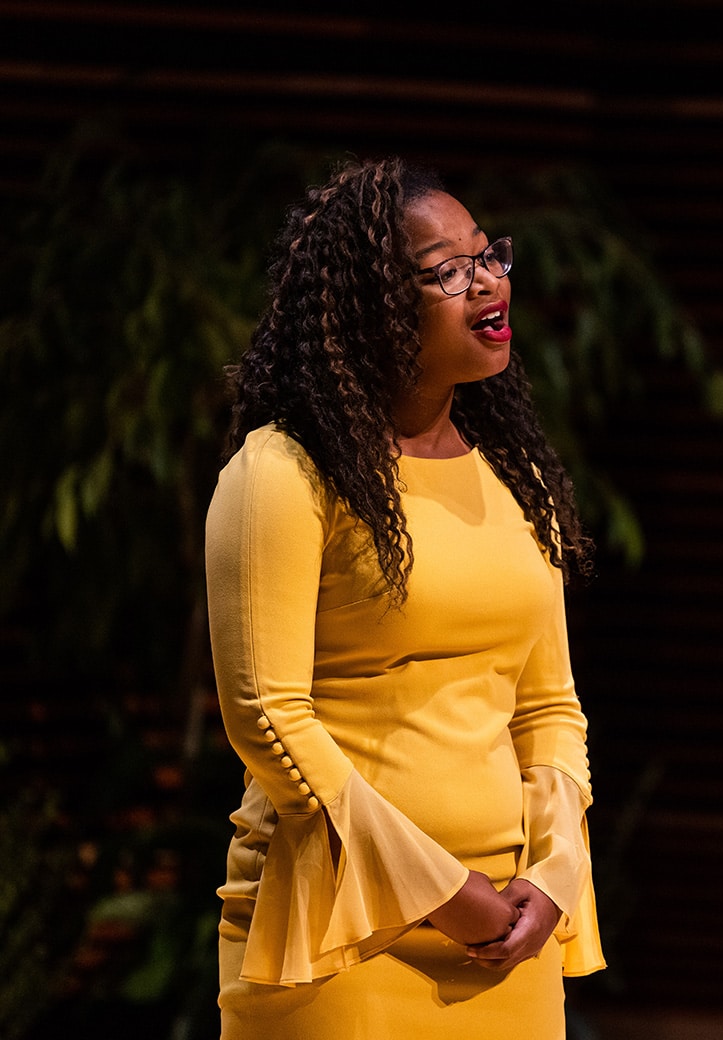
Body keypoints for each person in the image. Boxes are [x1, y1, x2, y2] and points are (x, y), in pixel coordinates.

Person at [204, 155, 605, 1040]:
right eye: (448, 272)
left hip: (506, 933)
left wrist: (554, 872)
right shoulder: (282, 473)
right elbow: (270, 715)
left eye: (488, 256)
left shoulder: (514, 474)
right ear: (371, 308)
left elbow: (548, 705)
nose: (488, 282)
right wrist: (445, 891)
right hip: (339, 935)